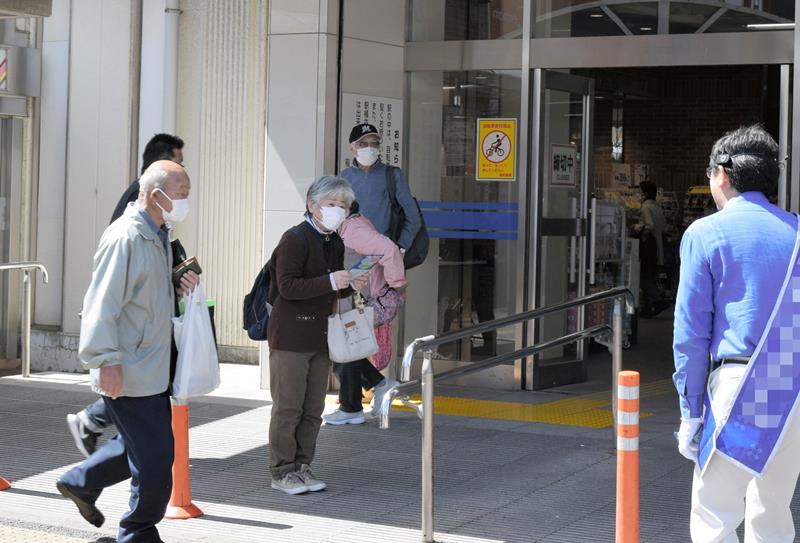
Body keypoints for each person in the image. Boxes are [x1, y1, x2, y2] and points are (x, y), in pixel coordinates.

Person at [56, 161, 198, 542]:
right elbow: (102, 303)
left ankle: (80, 481)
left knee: (141, 448)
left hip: (150, 366)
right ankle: (138, 532)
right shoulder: (127, 237)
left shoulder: (158, 235)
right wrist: (105, 361)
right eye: (181, 193)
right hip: (130, 368)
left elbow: (145, 297)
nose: (186, 201)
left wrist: (178, 285)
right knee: (155, 458)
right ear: (156, 196)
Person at [673, 125, 800, 542]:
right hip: (793, 386)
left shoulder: (705, 233)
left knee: (714, 515)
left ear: (722, 175)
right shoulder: (797, 232)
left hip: (741, 387)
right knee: (772, 513)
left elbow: (690, 334)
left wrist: (690, 412)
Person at [66, 133, 186, 458]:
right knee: (146, 442)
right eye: (178, 161)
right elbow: (109, 290)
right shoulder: (138, 209)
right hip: (133, 341)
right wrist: (105, 358)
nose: (183, 171)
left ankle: (85, 469)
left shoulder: (158, 211)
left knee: (144, 440)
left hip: (145, 343)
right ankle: (88, 424)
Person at [267, 176, 368, 495]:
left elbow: (331, 290)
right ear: (312, 205)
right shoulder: (294, 239)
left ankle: (302, 466)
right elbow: (287, 287)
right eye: (331, 204)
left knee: (312, 408)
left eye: (343, 206)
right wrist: (330, 281)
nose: (338, 210)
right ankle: (282, 471)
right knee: (288, 406)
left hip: (320, 335)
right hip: (291, 337)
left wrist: (350, 284)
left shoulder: (333, 241)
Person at [322, 201, 405, 426]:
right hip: (355, 298)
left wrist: (397, 283)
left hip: (362, 299)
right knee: (345, 349)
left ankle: (354, 405)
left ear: (346, 208)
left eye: (332, 204)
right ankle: (363, 397)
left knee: (342, 349)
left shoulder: (355, 229)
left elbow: (388, 249)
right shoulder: (350, 226)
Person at [339, 123, 421, 256]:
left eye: (374, 143)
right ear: (352, 148)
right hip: (350, 253)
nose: (369, 148)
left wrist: (400, 247)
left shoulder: (393, 175)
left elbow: (413, 217)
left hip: (383, 253)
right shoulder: (343, 177)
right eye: (363, 144)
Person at [634, 180, 666, 318]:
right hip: (658, 246)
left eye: (639, 191)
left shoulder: (645, 207)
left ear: (645, 193)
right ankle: (648, 307)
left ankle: (658, 298)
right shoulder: (657, 207)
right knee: (650, 275)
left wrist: (638, 228)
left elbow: (649, 225)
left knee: (644, 277)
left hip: (648, 247)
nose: (638, 194)